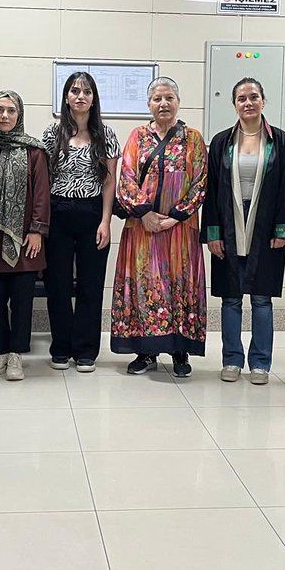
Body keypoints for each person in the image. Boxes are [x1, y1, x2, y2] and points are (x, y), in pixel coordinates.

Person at [112, 76, 208, 376]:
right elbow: (126, 178)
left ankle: (180, 351)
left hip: (180, 230)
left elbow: (201, 182)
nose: (163, 103)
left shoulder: (193, 139)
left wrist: (176, 216)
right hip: (143, 228)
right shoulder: (137, 137)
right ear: (149, 104)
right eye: (157, 99)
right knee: (145, 286)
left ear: (178, 102)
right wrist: (145, 214)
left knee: (179, 285)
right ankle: (146, 352)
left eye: (169, 98)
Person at [202, 78, 285, 385]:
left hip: (264, 225)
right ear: (234, 104)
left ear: (263, 101)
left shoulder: (279, 140)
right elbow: (212, 190)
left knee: (262, 299)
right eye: (242, 98)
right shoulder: (221, 142)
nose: (248, 103)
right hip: (229, 223)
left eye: (254, 96)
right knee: (230, 298)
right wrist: (212, 232)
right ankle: (231, 359)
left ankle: (260, 362)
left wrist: (283, 228)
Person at [42, 72, 120, 373]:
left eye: (87, 92)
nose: (80, 96)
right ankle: (61, 347)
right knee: (58, 284)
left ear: (94, 99)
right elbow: (42, 179)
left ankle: (86, 350)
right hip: (58, 213)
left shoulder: (105, 134)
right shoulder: (52, 134)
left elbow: (109, 182)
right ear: (66, 97)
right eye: (75, 91)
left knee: (90, 284)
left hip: (92, 214)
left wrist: (105, 221)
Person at [0, 90, 50, 381]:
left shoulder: (34, 152)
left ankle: (17, 353)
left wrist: (37, 230)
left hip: (24, 238)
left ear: (20, 114)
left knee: (21, 300)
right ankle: (1, 351)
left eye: (11, 110)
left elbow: (41, 194)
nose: (4, 116)